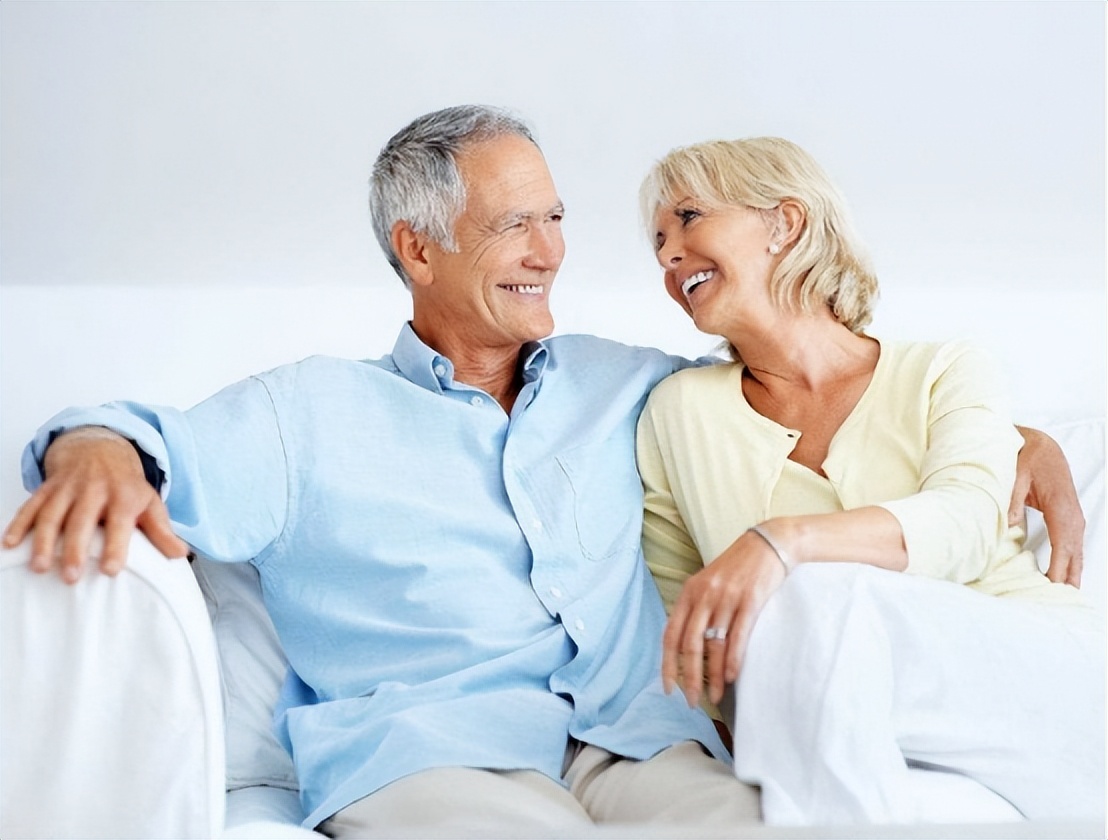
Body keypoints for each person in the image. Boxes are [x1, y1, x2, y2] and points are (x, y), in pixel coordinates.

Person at [0, 108, 1083, 835]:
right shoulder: (306, 413)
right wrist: (91, 449)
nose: (550, 249)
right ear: (418, 248)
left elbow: (801, 385)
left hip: (634, 744)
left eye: (555, 218)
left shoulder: (628, 387)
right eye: (514, 224)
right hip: (434, 753)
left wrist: (1010, 436)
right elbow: (136, 435)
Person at [634, 137, 1105, 824]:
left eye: (689, 217)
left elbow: (966, 524)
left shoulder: (946, 368)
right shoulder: (677, 413)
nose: (668, 255)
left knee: (809, 596)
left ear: (784, 223)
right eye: (657, 242)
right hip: (868, 739)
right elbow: (684, 621)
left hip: (1043, 685)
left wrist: (783, 543)